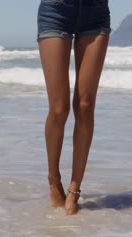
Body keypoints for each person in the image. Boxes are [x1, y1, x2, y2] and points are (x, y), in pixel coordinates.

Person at [37, 0, 111, 215]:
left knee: (85, 104)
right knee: (59, 108)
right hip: (55, 10)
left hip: (96, 12)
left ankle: (74, 189)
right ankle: (54, 179)